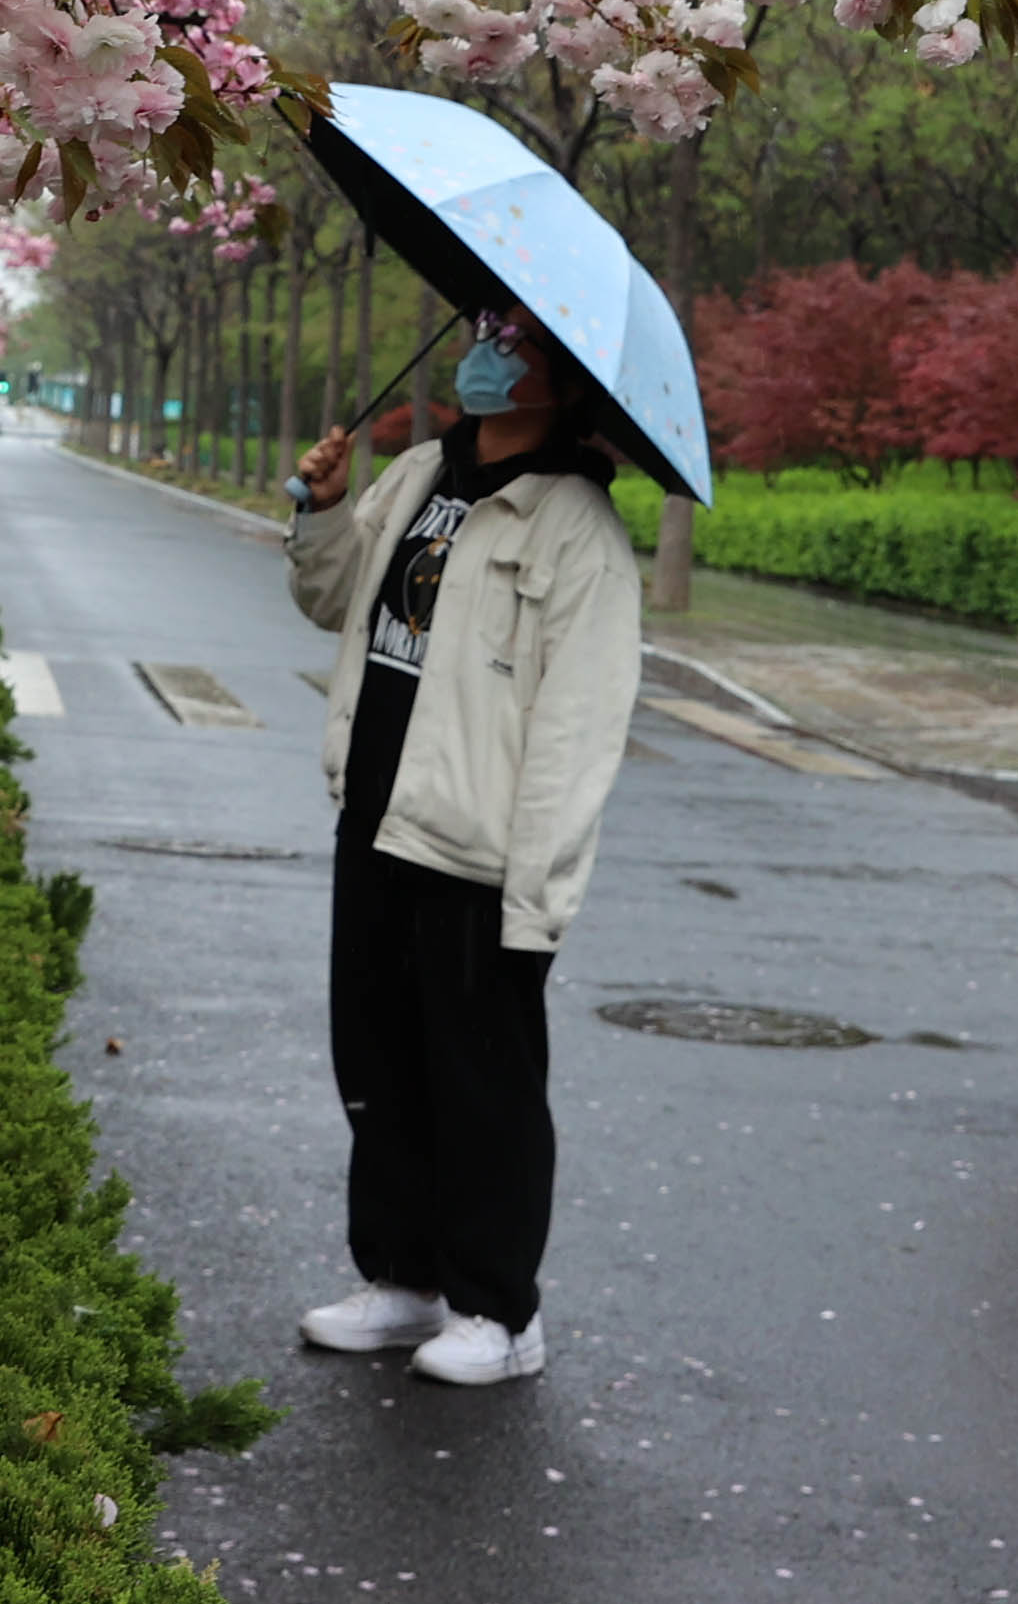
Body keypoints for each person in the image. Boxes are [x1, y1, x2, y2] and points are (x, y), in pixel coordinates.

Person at [283, 299, 643, 1387]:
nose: (487, 351)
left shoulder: (574, 526)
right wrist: (324, 511)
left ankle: (497, 1308)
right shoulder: (416, 478)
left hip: (480, 857)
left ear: (562, 375)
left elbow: (578, 729)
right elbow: (330, 599)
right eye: (487, 327)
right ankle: (400, 1280)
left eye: (518, 339)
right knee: (378, 1065)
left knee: (479, 1086)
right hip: (378, 819)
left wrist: (534, 896)